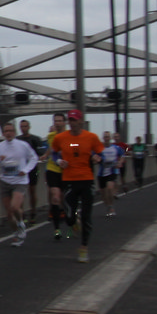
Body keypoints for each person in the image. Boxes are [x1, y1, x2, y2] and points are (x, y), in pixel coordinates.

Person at [53, 109, 105, 263]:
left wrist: (98, 157)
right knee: (69, 217)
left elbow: (101, 152)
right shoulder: (60, 137)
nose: (73, 123)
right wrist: (59, 161)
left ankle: (84, 247)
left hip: (86, 179)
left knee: (86, 216)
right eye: (70, 120)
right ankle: (73, 222)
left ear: (81, 121)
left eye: (75, 120)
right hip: (69, 180)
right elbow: (54, 153)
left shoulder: (91, 137)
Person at [0, 122, 38, 246]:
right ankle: (17, 233)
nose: (8, 133)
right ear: (3, 133)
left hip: (20, 181)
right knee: (9, 213)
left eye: (10, 131)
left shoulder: (23, 145)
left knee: (14, 207)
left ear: (14, 132)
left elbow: (34, 158)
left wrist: (25, 170)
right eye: (6, 131)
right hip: (4, 181)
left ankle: (20, 222)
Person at [43, 112, 70, 240]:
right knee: (55, 196)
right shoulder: (51, 136)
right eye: (56, 121)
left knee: (65, 198)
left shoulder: (71, 136)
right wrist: (45, 155)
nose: (58, 123)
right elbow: (51, 149)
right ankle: (57, 229)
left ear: (65, 122)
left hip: (67, 171)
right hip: (52, 168)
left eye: (60, 121)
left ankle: (69, 215)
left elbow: (76, 150)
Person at [15, 119, 46, 221]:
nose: (23, 128)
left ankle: (33, 212)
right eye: (21, 126)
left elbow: (41, 151)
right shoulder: (17, 139)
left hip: (32, 168)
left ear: (29, 127)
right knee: (21, 192)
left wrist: (39, 155)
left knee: (32, 190)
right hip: (21, 168)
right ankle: (22, 214)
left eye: (25, 126)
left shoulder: (35, 139)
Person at [97, 131, 125, 217]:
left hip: (112, 171)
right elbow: (94, 156)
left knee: (109, 189)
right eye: (105, 137)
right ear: (103, 138)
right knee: (103, 195)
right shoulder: (99, 148)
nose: (106, 138)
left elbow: (123, 155)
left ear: (110, 138)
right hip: (102, 173)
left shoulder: (116, 148)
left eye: (108, 137)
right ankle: (108, 206)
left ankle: (111, 207)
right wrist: (96, 159)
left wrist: (120, 162)